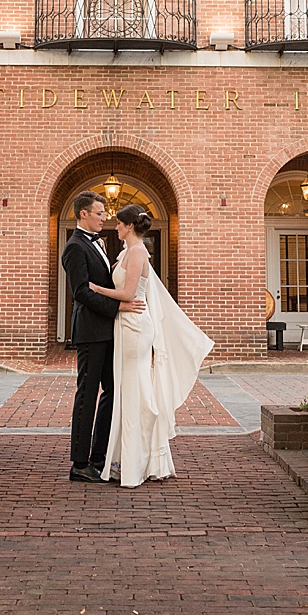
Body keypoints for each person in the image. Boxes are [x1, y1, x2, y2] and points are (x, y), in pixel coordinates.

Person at [87, 203, 215, 487]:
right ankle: (124, 459)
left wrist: (95, 289)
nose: (115, 227)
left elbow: (129, 293)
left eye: (119, 224)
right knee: (125, 389)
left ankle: (138, 462)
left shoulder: (137, 251)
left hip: (134, 327)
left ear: (129, 226)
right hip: (125, 323)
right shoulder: (126, 252)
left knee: (134, 390)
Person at [63, 190, 143, 483]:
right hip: (90, 332)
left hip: (109, 331)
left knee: (113, 391)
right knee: (87, 395)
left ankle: (100, 456)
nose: (104, 218)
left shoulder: (100, 243)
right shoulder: (74, 247)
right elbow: (81, 292)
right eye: (100, 213)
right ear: (84, 214)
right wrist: (120, 306)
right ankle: (79, 463)